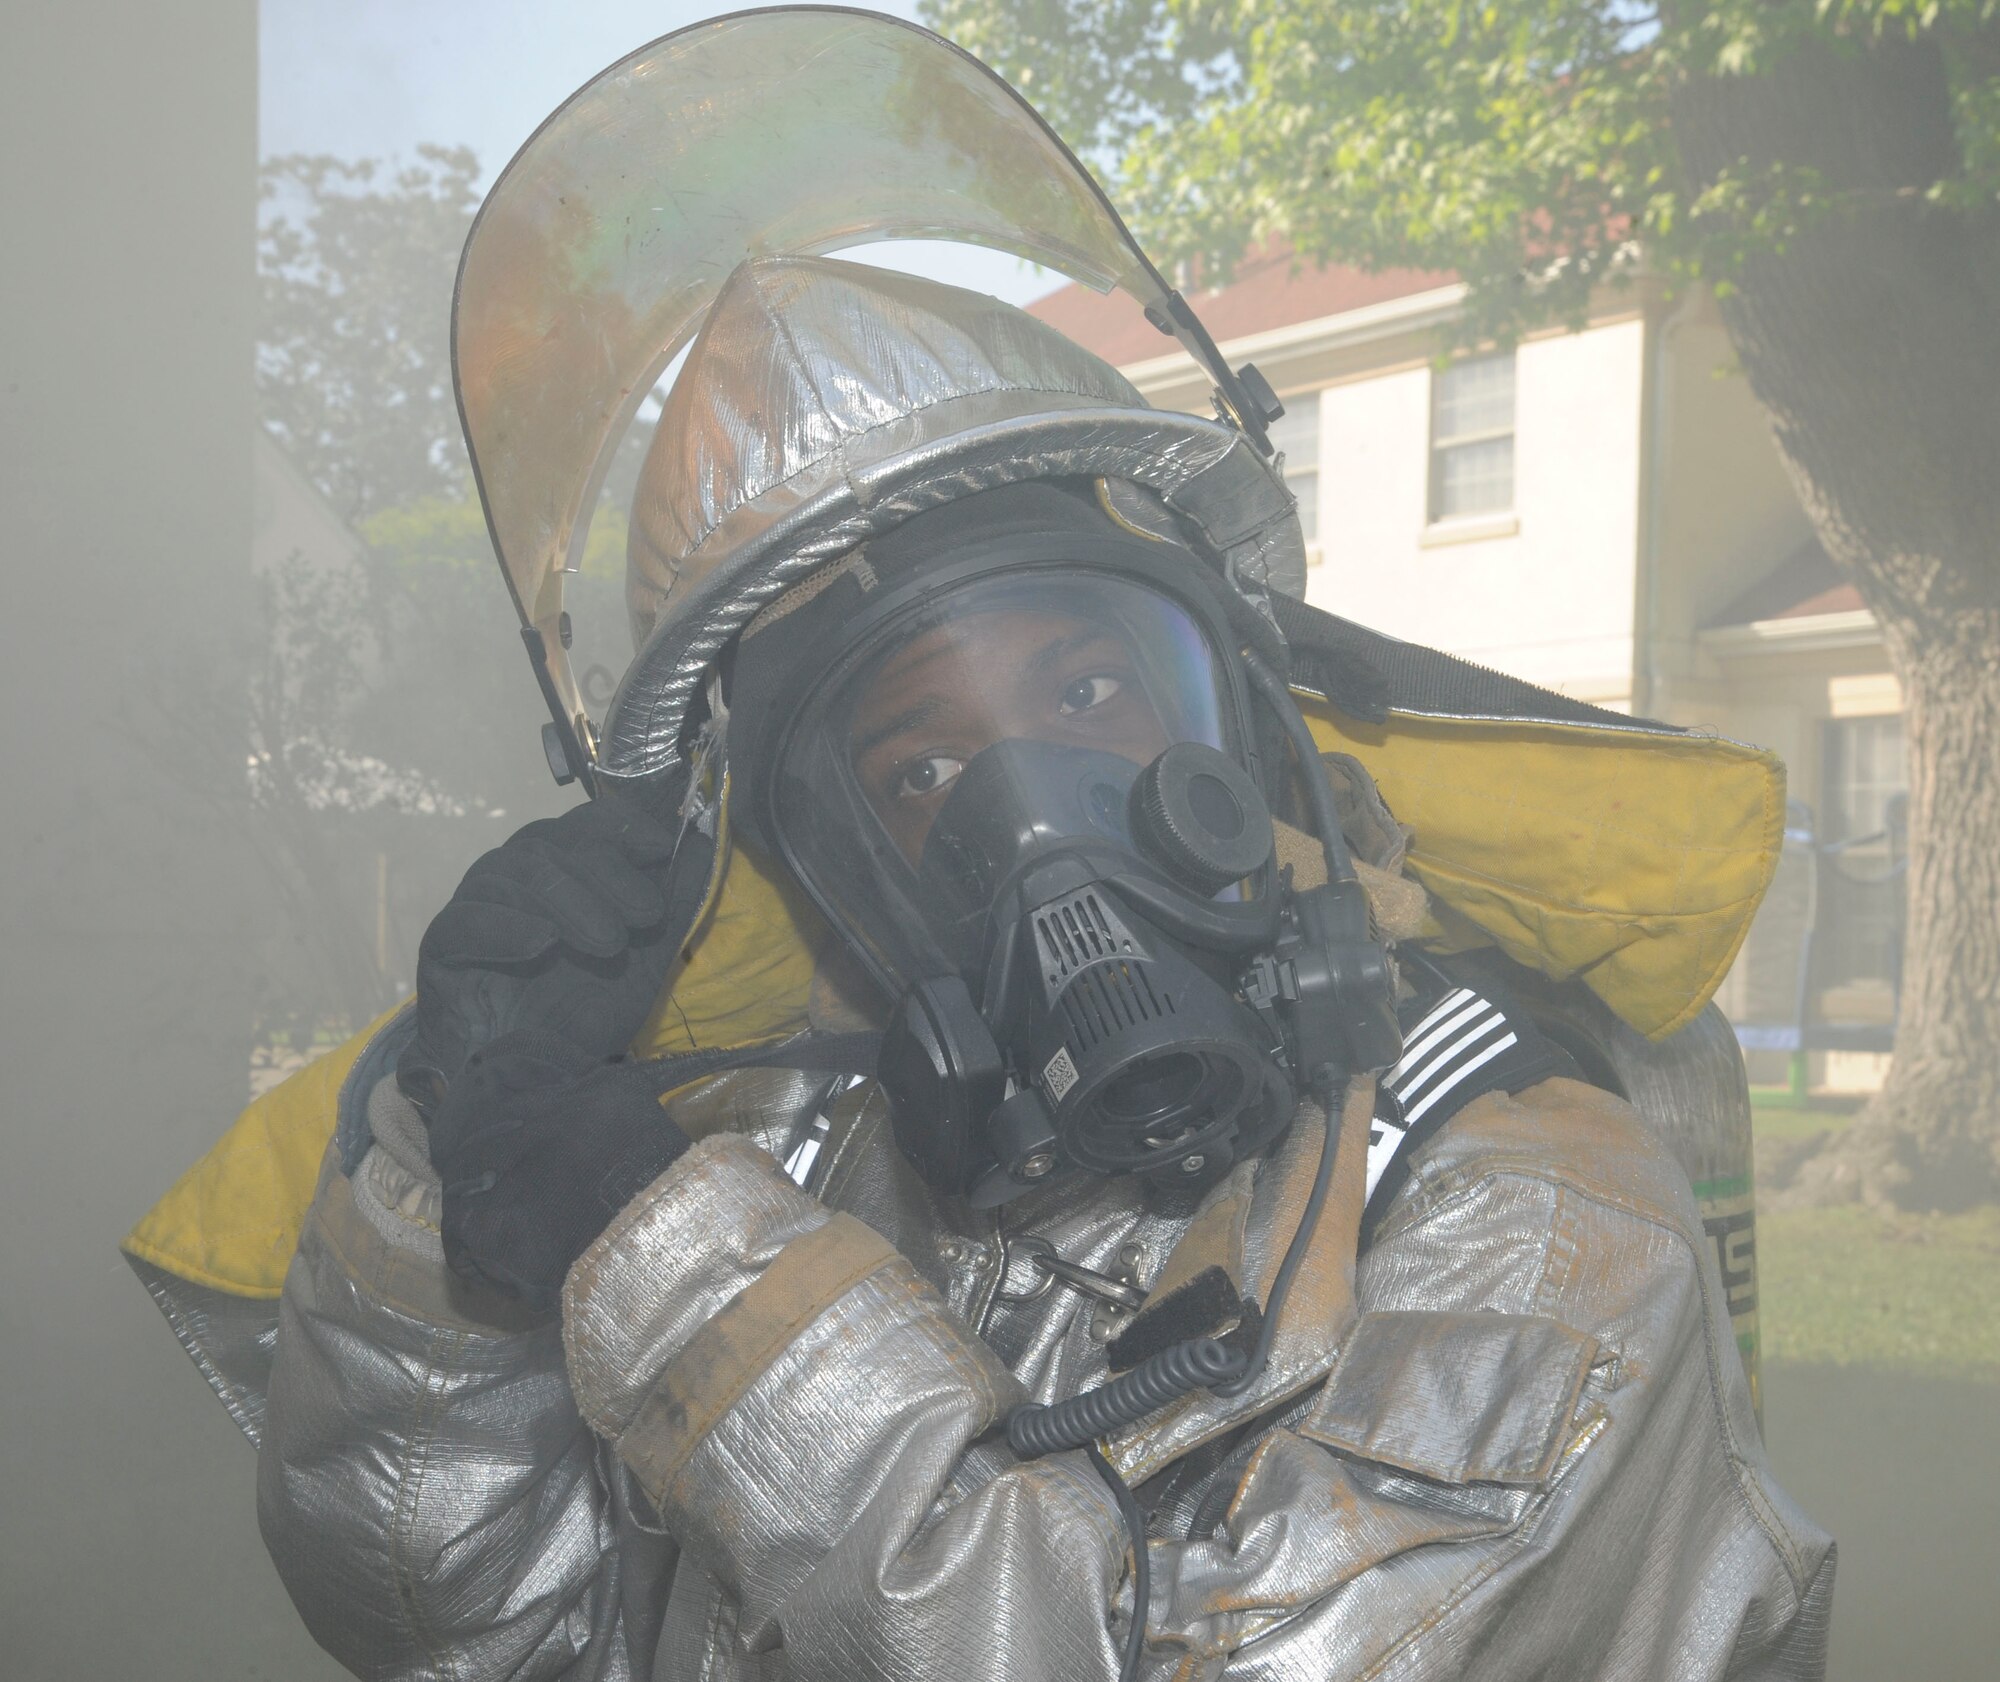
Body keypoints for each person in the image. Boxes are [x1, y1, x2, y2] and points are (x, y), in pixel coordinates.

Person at [133, 15, 1832, 1680]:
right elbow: (453, 1625)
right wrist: (470, 1169)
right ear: (825, 870)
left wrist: (678, 1268)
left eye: (1090, 683)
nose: (1035, 814)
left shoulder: (1527, 1214)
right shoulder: (795, 1161)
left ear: (1244, 713)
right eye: (921, 766)